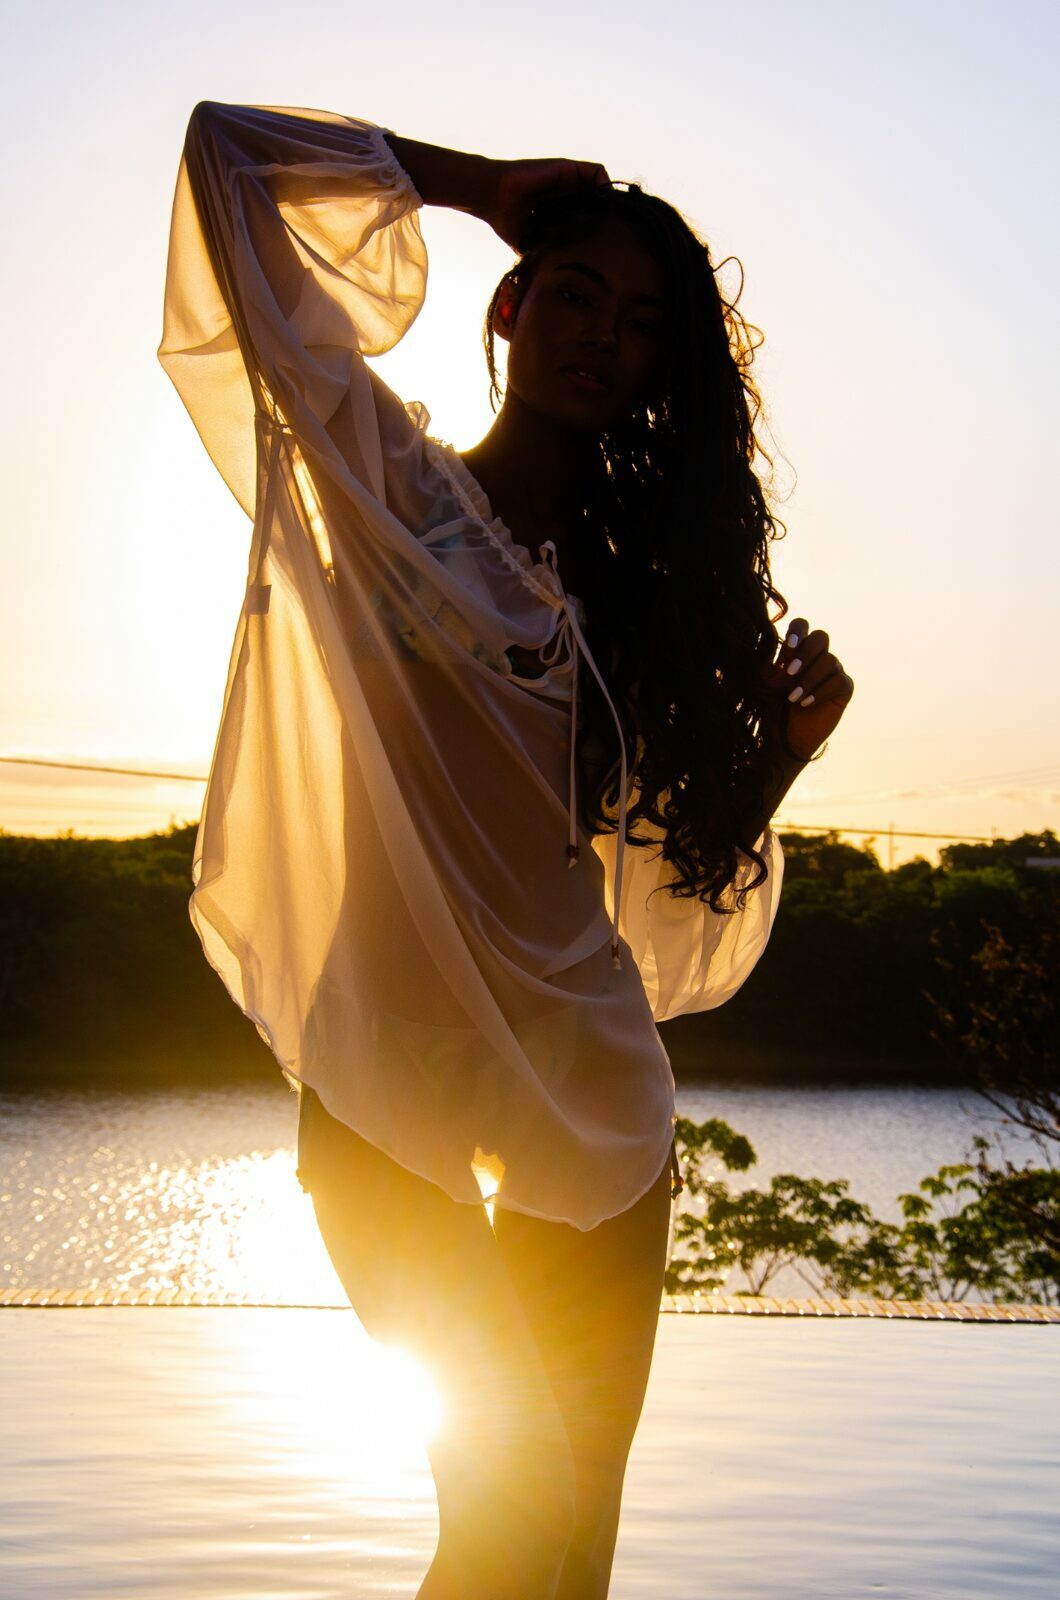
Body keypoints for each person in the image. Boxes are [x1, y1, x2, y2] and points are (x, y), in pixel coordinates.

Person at [159, 101, 853, 1600]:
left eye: (642, 324)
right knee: (511, 1505)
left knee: (574, 1545)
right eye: (576, 295)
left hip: (589, 1077)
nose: (603, 335)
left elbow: (664, 872)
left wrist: (780, 756)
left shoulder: (643, 588)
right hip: (386, 1062)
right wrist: (481, 187)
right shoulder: (394, 494)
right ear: (511, 308)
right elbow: (226, 160)